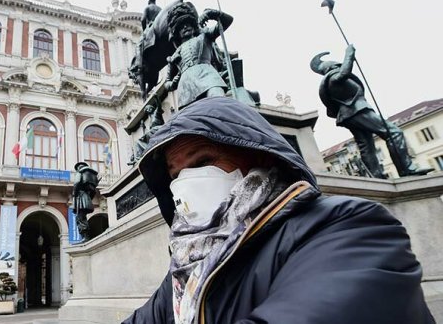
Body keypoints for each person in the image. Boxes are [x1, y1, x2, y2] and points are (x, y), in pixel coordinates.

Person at [124, 97, 434, 324]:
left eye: (203, 161)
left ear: (261, 158)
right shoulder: (188, 263)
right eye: (175, 175)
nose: (186, 182)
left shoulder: (351, 227)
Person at [311, 44, 433, 178]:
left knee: (366, 146)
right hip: (356, 111)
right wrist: (349, 54)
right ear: (332, 68)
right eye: (337, 65)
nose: (340, 66)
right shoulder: (333, 79)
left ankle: (377, 177)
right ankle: (407, 169)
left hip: (349, 115)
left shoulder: (329, 83)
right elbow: (344, 73)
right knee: (393, 132)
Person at [165, 2, 233, 109]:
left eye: (188, 24)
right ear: (177, 33)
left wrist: (211, 13)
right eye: (181, 26)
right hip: (186, 85)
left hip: (207, 75)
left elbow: (227, 21)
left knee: (220, 103)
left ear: (193, 26)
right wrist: (173, 84)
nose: (186, 27)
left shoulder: (205, 36)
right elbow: (167, 83)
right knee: (192, 119)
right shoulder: (174, 56)